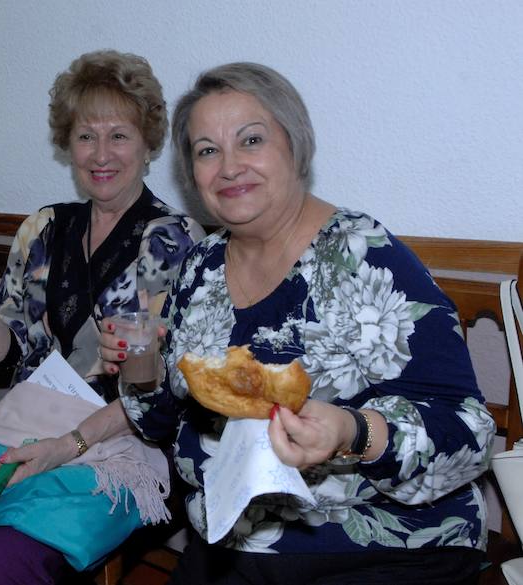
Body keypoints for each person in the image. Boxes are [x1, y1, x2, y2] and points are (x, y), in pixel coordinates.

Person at [99, 62, 496, 584]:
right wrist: (140, 369)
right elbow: (160, 424)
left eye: (251, 140)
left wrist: (353, 433)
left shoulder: (362, 256)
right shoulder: (200, 267)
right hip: (231, 541)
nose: (229, 167)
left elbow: (469, 431)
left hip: (377, 548)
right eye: (207, 150)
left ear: (296, 145)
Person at [0, 50, 205, 585]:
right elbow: (7, 359)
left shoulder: (176, 240)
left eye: (118, 135)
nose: (101, 153)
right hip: (25, 420)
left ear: (148, 145)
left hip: (120, 440)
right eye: (85, 136)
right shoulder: (42, 229)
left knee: (3, 563)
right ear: (66, 145)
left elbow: (171, 390)